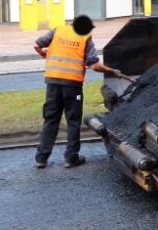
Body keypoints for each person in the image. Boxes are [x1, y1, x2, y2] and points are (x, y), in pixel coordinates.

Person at [33, 14, 121, 169]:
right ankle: (71, 158)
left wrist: (46, 55)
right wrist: (112, 71)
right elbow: (94, 65)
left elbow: (37, 45)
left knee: (51, 119)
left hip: (53, 83)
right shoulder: (85, 37)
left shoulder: (58, 31)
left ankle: (41, 158)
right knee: (73, 120)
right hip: (72, 86)